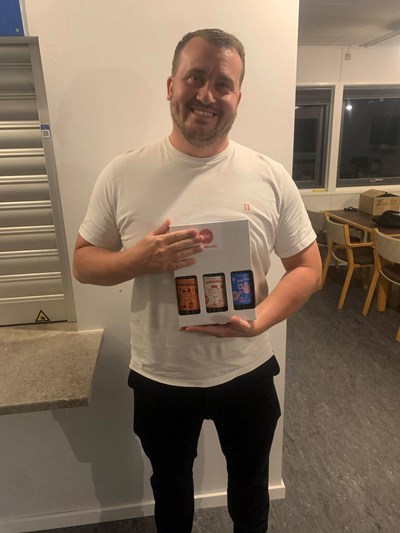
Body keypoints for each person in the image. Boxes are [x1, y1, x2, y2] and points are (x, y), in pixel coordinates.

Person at [74, 28, 322, 533]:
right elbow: (82, 262)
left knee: (250, 494)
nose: (207, 94)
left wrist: (261, 321)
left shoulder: (270, 176)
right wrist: (136, 261)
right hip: (161, 375)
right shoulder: (123, 173)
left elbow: (309, 268)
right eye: (195, 77)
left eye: (223, 84)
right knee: (170, 495)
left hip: (247, 370)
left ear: (238, 97)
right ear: (171, 85)